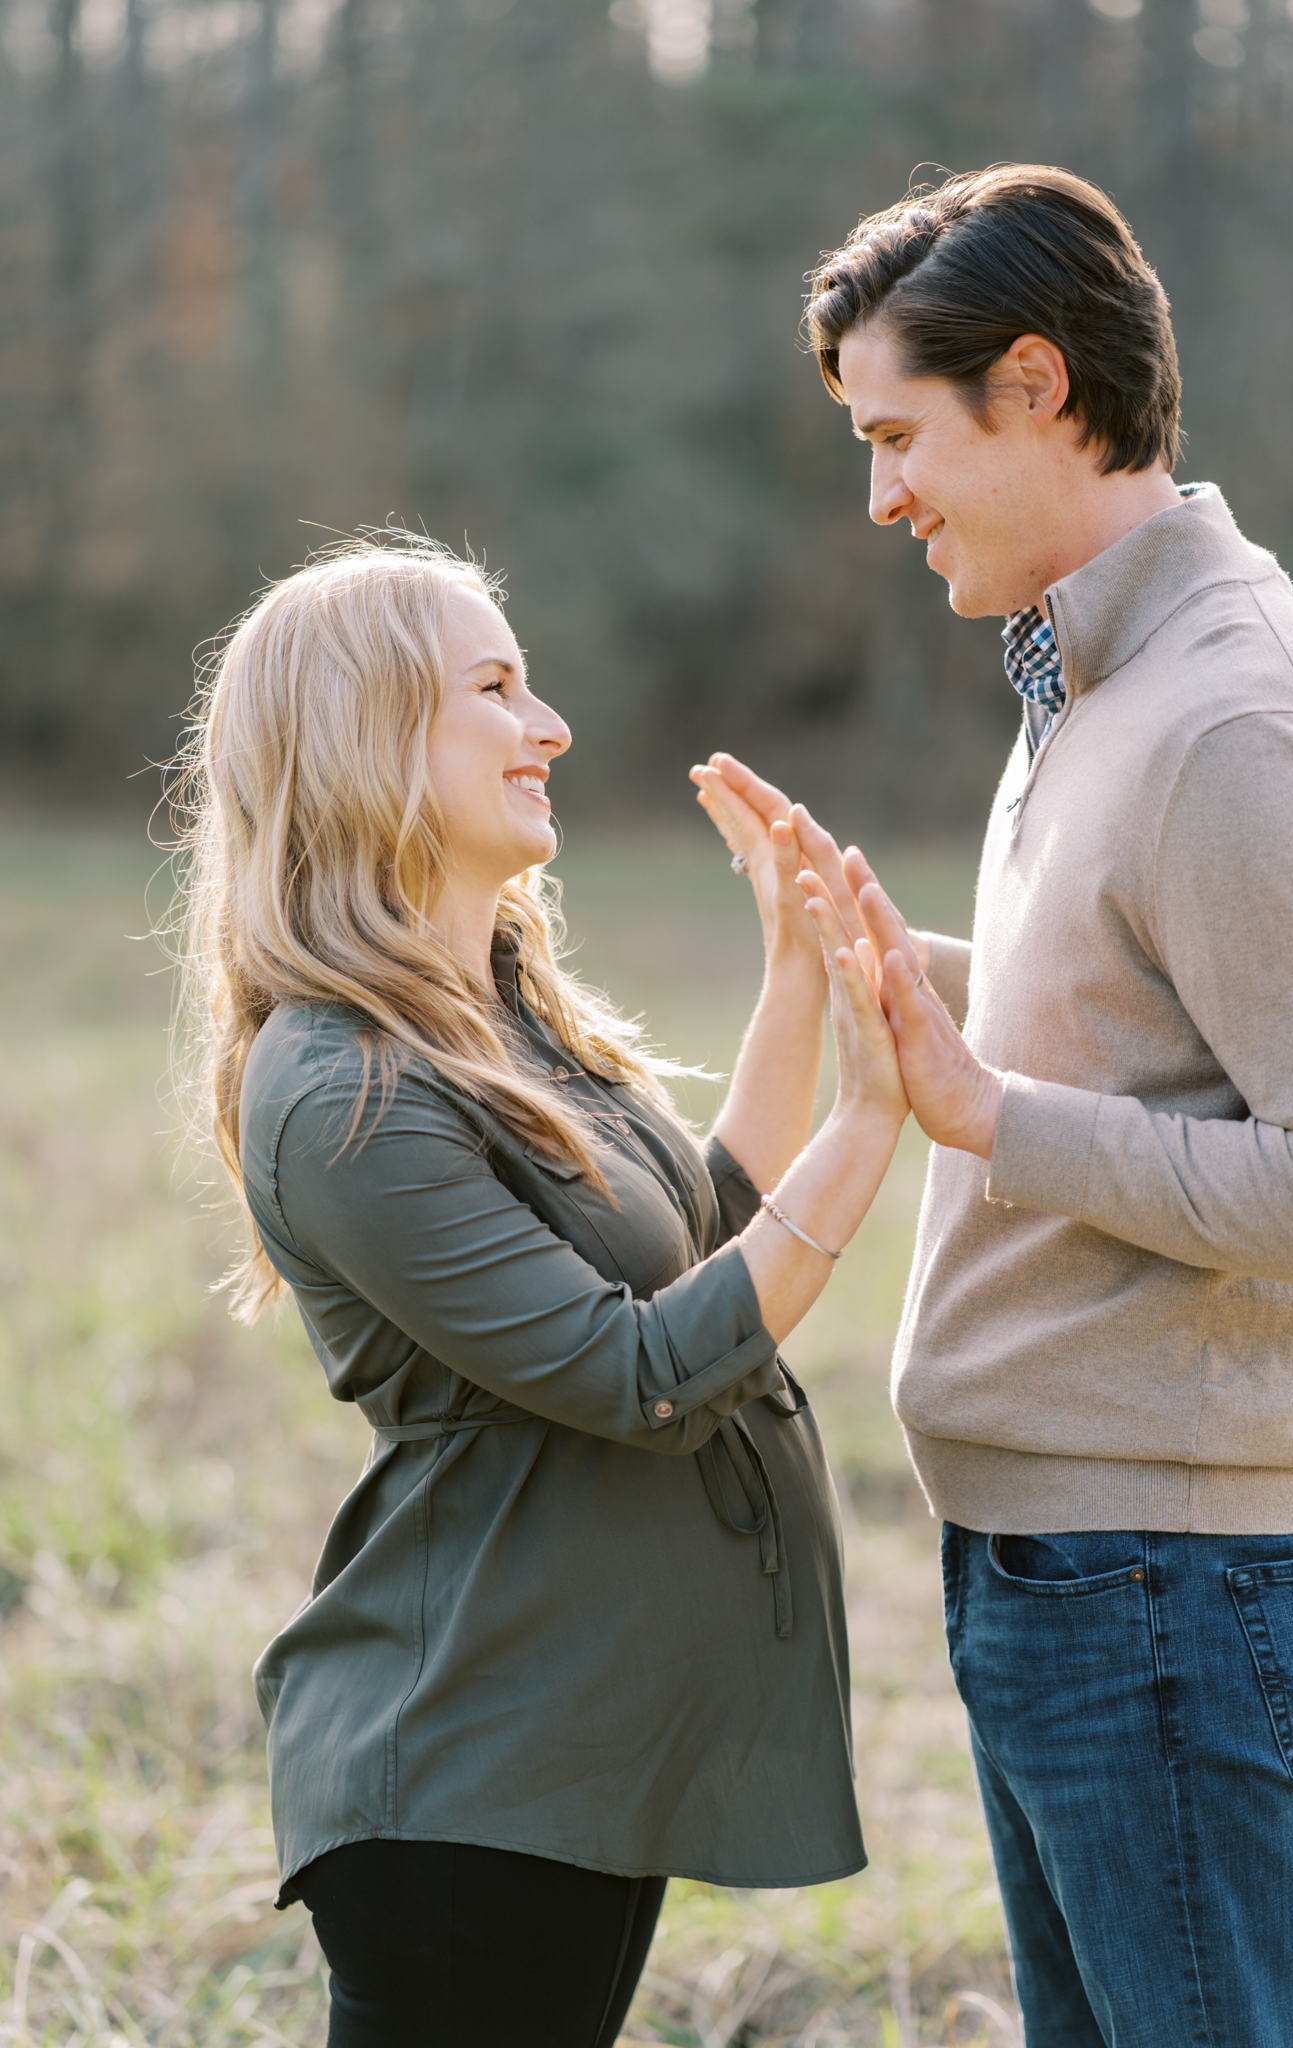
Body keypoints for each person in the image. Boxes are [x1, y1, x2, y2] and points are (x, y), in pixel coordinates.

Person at [714, 164, 1293, 2047]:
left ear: (1035, 385)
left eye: (898, 437)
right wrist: (889, 958)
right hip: (1078, 1576)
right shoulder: (1090, 677)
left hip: (1166, 1593)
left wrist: (984, 1117)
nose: (878, 497)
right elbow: (1132, 1017)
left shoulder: (1231, 720)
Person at [174, 534, 910, 2048]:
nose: (551, 725)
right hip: (465, 1772)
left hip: (565, 1754)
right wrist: (870, 1118)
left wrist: (792, 977)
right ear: (368, 740)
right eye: (497, 688)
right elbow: (637, 1372)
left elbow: (708, 1234)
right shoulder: (340, 1084)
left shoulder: (497, 1019)